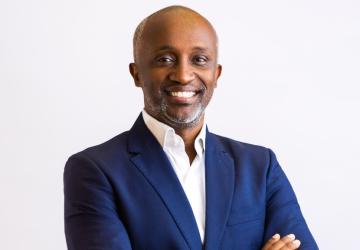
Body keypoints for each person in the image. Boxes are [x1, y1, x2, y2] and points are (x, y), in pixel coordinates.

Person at [64, 5, 318, 250]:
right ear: (137, 73)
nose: (184, 75)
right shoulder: (95, 171)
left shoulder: (260, 166)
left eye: (199, 59)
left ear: (216, 74)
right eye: (165, 59)